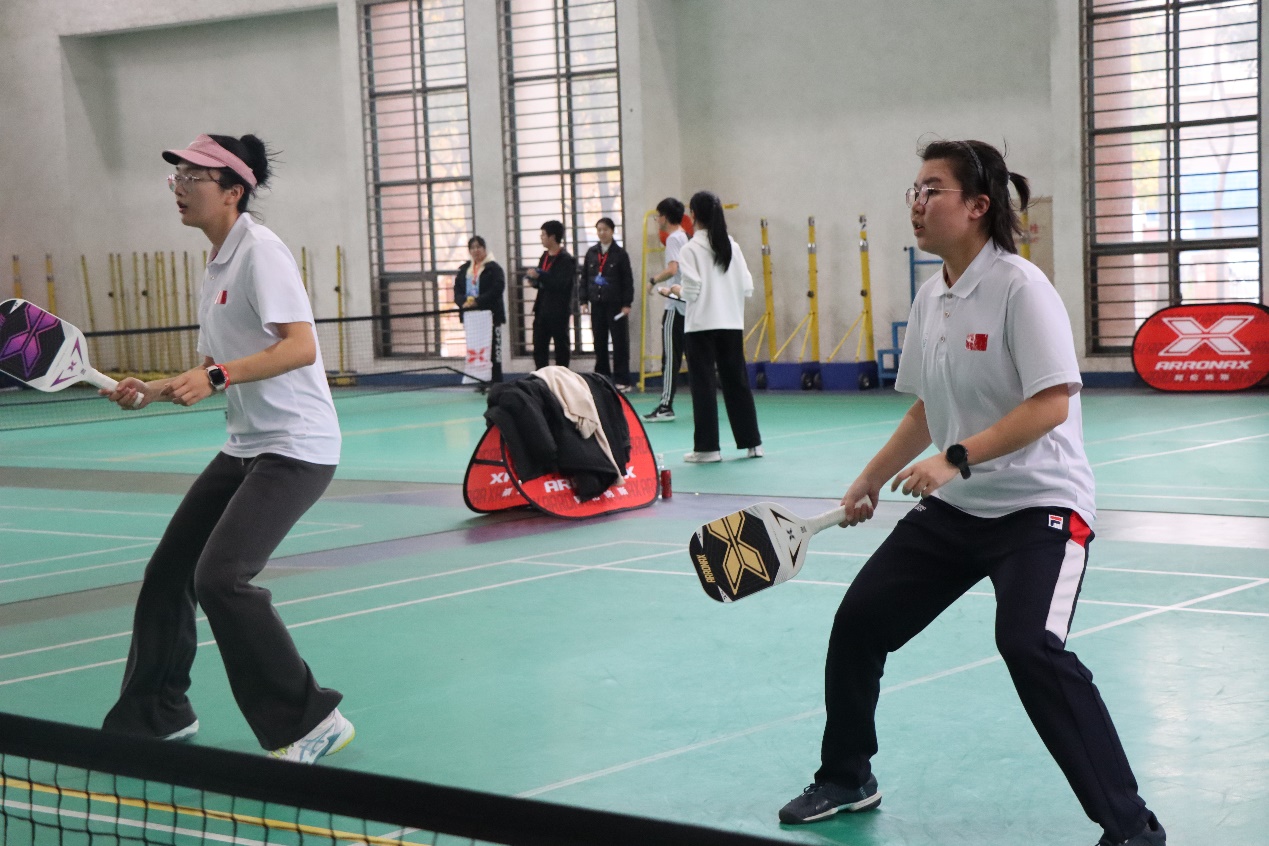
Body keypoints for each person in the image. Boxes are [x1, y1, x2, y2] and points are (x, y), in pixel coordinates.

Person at [777, 140, 1165, 846]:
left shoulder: (1021, 288)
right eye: (915, 190)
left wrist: (954, 459)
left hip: (1039, 507)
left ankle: (1131, 827)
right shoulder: (933, 296)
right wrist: (870, 477)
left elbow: (1051, 404)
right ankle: (846, 776)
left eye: (933, 189)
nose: (917, 203)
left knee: (1028, 645)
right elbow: (927, 409)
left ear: (978, 205)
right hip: (959, 511)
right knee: (860, 622)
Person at [100, 134, 353, 765]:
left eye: (194, 177)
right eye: (177, 177)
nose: (180, 187)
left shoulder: (260, 251)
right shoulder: (216, 262)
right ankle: (157, 714)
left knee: (221, 578)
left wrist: (214, 377)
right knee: (169, 573)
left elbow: (300, 346)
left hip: (296, 446)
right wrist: (155, 388)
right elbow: (217, 364)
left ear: (233, 191)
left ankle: (310, 721)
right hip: (246, 446)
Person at [672, 191, 762, 463]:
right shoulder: (731, 246)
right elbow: (747, 286)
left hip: (700, 325)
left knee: (703, 386)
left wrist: (676, 290)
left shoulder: (690, 249)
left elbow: (692, 291)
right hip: (731, 323)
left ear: (693, 215)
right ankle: (753, 443)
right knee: (737, 383)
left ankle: (707, 449)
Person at [644, 198, 688, 422]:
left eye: (657, 216)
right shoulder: (685, 237)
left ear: (664, 217)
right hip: (689, 306)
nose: (656, 220)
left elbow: (672, 269)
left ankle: (665, 406)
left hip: (675, 306)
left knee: (670, 358)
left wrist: (653, 280)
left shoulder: (673, 239)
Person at [579, 217, 634, 389]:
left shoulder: (620, 254)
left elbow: (627, 281)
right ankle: (601, 378)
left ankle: (622, 380)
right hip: (597, 304)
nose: (602, 233)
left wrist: (627, 303)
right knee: (599, 341)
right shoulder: (591, 253)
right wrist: (583, 301)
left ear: (612, 231)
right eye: (599, 230)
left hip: (616, 305)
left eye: (605, 229)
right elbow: (584, 278)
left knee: (619, 342)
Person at [454, 235, 506, 385]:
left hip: (491, 317)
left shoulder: (494, 269)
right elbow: (457, 291)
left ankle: (496, 383)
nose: (475, 250)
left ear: (484, 249)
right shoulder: (464, 270)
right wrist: (463, 302)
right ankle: (480, 381)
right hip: (472, 320)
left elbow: (497, 289)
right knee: (475, 350)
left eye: (478, 247)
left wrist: (477, 301)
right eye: (472, 247)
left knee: (493, 353)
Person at [525, 220, 577, 370]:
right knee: (539, 346)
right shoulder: (545, 256)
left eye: (543, 234)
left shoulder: (566, 259)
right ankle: (542, 375)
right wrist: (534, 281)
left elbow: (559, 283)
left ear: (552, 237)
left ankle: (561, 376)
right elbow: (543, 281)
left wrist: (540, 276)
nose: (541, 237)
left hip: (559, 310)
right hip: (542, 309)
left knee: (561, 346)